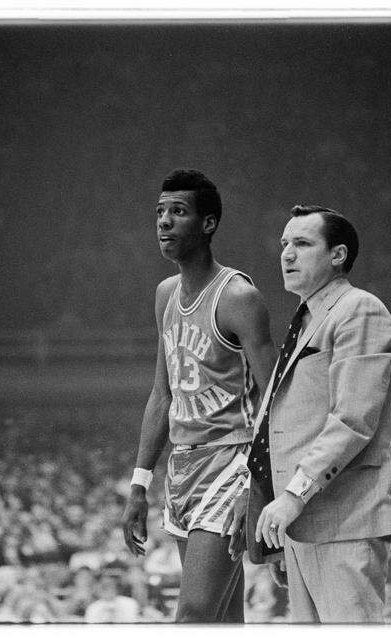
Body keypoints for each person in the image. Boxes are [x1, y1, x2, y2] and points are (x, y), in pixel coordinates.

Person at [121, 168, 277, 622]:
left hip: (232, 462)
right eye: (160, 212)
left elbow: (275, 397)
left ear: (208, 224)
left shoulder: (239, 298)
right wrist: (138, 485)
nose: (164, 221)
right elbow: (160, 395)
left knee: (191, 616)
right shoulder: (165, 295)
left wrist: (260, 484)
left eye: (179, 212)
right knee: (224, 620)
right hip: (183, 466)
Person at [247, 205, 391, 623]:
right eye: (284, 244)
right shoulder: (307, 319)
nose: (287, 254)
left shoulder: (360, 309)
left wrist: (292, 497)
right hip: (303, 524)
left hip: (344, 519)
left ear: (337, 255)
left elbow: (353, 420)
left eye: (302, 243)